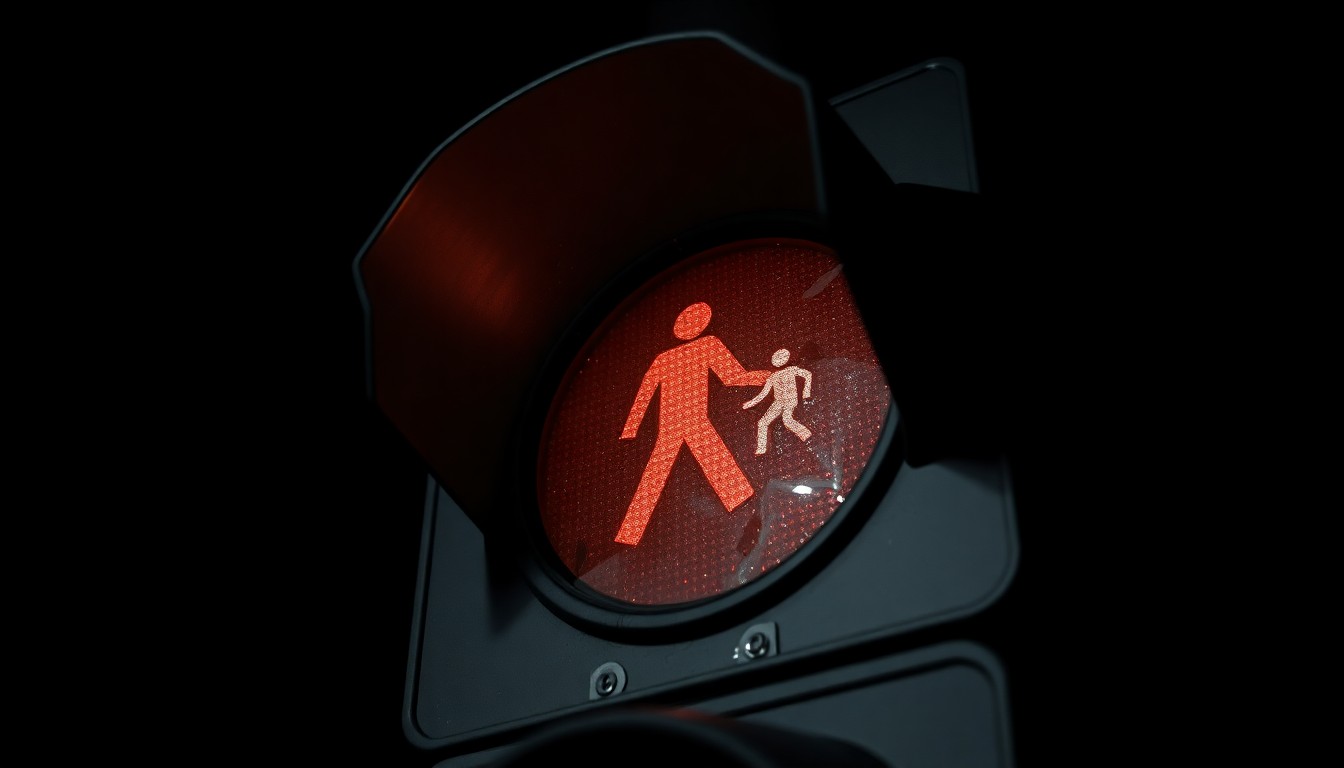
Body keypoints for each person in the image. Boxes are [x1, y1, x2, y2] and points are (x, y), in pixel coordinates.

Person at [616, 301, 768, 545]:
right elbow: (645, 393)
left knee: (660, 469)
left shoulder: (705, 346)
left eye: (692, 319)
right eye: (685, 320)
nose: (687, 324)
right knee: (667, 468)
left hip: (686, 418)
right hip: (681, 419)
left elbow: (732, 377)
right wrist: (630, 427)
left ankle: (631, 532)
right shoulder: (670, 356)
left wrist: (767, 377)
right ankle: (738, 499)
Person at [743, 348, 813, 455]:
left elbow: (808, 374)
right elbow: (763, 393)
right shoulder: (773, 377)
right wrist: (751, 403)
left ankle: (807, 435)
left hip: (790, 400)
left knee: (787, 420)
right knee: (762, 422)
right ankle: (761, 449)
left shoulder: (792, 370)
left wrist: (806, 392)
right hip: (778, 402)